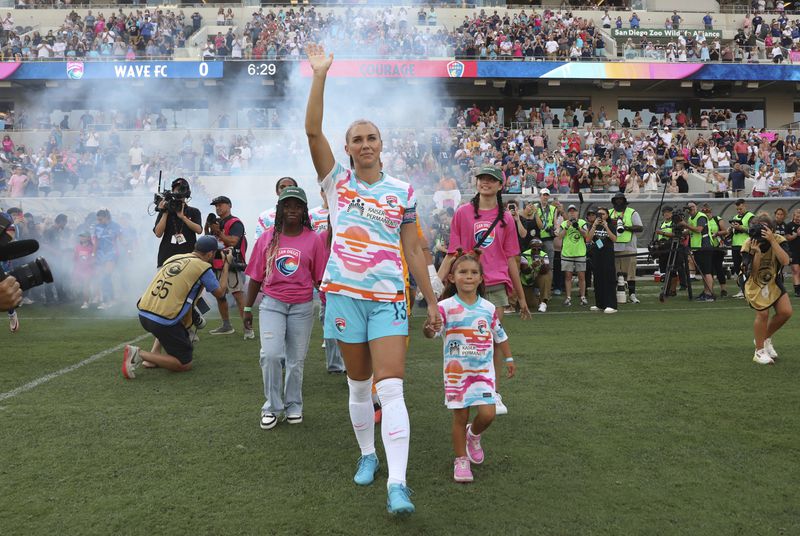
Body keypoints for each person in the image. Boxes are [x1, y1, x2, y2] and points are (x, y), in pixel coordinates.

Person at [305, 43, 442, 516]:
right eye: (357, 139)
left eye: (372, 138)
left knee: (392, 387)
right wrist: (320, 74)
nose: (365, 144)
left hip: (388, 298)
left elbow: (414, 249)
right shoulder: (336, 185)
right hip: (344, 296)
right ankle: (368, 455)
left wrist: (432, 300)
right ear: (347, 149)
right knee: (359, 387)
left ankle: (398, 484)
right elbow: (311, 129)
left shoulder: (402, 191)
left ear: (383, 146)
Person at [438, 165, 530, 416]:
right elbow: (453, 251)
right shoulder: (463, 213)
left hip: (496, 281)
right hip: (467, 281)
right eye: (482, 179)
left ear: (500, 185)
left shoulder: (506, 218)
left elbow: (512, 258)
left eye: (491, 179)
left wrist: (521, 297)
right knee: (462, 338)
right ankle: (463, 385)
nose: (485, 183)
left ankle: (492, 391)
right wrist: (436, 284)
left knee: (493, 338)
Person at [423, 250, 514, 483]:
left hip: (483, 373)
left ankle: (473, 435)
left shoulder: (488, 308)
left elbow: (500, 335)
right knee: (459, 417)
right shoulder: (444, 307)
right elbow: (430, 333)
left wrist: (509, 359)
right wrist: (429, 327)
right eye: (463, 272)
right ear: (452, 278)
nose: (469, 276)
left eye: (474, 272)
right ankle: (461, 459)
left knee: (488, 413)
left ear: (481, 278)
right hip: (456, 374)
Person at [243, 187, 326, 429]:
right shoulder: (268, 237)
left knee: (295, 361)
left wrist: (333, 304)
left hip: (301, 306)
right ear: (280, 209)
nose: (292, 210)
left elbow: (320, 279)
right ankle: (272, 406)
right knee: (270, 355)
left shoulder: (313, 239)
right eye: (287, 205)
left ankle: (293, 405)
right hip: (272, 305)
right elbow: (256, 277)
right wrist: (247, 309)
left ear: (304, 211)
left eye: (297, 206)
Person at [122, 235, 231, 379]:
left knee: (170, 312)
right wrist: (226, 266)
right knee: (184, 363)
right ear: (210, 254)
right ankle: (138, 354)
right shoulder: (203, 267)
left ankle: (152, 358)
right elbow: (220, 293)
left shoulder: (174, 258)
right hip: (163, 321)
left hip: (144, 313)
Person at [740, 214, 792, 365]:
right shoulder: (749, 243)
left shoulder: (779, 240)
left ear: (772, 229)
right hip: (753, 281)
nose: (761, 232)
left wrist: (772, 240)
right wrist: (757, 252)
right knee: (763, 313)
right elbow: (752, 272)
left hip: (773, 278)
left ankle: (764, 338)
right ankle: (759, 351)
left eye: (765, 229)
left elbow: (785, 261)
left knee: (785, 312)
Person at [207, 196, 251, 339]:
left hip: (231, 263)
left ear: (229, 205)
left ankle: (248, 329)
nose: (218, 208)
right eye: (216, 206)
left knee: (238, 295)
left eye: (221, 205)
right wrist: (208, 228)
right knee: (220, 295)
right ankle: (226, 325)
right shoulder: (217, 222)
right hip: (217, 263)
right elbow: (209, 241)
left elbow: (233, 241)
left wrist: (219, 232)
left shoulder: (235, 222)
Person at [153, 178, 202, 268]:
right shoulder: (165, 211)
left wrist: (183, 218)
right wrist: (165, 212)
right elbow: (158, 233)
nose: (179, 192)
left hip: (188, 259)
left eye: (182, 189)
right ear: (172, 191)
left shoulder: (194, 211)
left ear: (187, 192)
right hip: (167, 259)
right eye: (176, 189)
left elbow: (199, 230)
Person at [609, 193, 643, 303]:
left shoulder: (632, 212)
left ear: (624, 201)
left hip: (629, 246)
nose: (619, 201)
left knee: (630, 272)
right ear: (614, 201)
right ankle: (615, 294)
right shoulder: (609, 213)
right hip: (613, 246)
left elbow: (640, 227)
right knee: (614, 272)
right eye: (617, 200)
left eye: (621, 199)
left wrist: (625, 227)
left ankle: (632, 294)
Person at [586, 206, 618, 313]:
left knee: (608, 279)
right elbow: (588, 239)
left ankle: (611, 305)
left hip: (607, 256)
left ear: (607, 215)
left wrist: (606, 227)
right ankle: (600, 304)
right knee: (598, 280)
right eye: (599, 214)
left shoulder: (611, 225)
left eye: (603, 214)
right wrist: (594, 226)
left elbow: (614, 239)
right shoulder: (593, 226)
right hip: (596, 255)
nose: (601, 216)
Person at [557, 204, 589, 306]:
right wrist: (567, 226)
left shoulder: (582, 222)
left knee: (581, 276)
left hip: (580, 252)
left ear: (577, 213)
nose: (572, 213)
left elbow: (586, 235)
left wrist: (578, 227)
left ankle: (583, 297)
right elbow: (560, 237)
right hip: (567, 253)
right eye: (570, 211)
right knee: (568, 277)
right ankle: (568, 297)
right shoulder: (564, 223)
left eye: (574, 211)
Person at [685, 202, 716, 301]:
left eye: (693, 206)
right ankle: (706, 291)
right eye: (689, 207)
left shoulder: (701, 216)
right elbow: (691, 231)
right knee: (703, 271)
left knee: (707, 271)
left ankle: (709, 293)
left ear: (696, 207)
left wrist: (685, 225)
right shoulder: (691, 218)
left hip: (704, 246)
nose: (691, 209)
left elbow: (698, 229)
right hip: (697, 247)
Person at [92, 209, 121, 310]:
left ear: (106, 217)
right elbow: (96, 242)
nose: (99, 221)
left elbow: (121, 240)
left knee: (105, 276)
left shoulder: (115, 226)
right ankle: (111, 299)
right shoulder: (97, 227)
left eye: (100, 219)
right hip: (101, 254)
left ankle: (106, 301)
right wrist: (93, 255)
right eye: (98, 220)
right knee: (104, 278)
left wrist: (128, 251)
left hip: (112, 253)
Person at [729, 199, 755, 298]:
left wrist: (741, 228)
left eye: (740, 209)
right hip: (735, 245)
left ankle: (748, 289)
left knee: (746, 268)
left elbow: (753, 231)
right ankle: (742, 289)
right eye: (737, 209)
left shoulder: (751, 217)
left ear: (745, 206)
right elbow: (733, 231)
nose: (739, 211)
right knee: (737, 268)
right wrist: (731, 229)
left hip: (745, 246)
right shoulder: (735, 217)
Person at [520, 238, 551, 313]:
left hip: (537, 278)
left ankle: (544, 302)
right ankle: (536, 297)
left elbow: (545, 271)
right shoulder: (524, 255)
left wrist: (543, 265)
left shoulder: (544, 255)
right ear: (530, 248)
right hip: (527, 282)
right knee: (532, 304)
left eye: (539, 249)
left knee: (546, 276)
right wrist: (532, 266)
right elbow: (525, 271)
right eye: (534, 249)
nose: (536, 251)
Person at [785, 208, 800, 297]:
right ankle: (797, 290)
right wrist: (796, 235)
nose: (798, 218)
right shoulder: (789, 225)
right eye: (797, 216)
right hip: (793, 251)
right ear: (794, 216)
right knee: (796, 270)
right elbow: (787, 238)